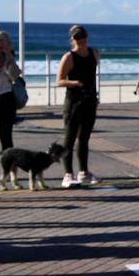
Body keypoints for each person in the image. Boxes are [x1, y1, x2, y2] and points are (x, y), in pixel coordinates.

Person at [56, 25, 101, 188]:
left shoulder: (94, 53)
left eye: (82, 36)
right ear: (72, 39)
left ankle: (84, 171)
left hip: (90, 100)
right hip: (74, 101)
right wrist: (75, 83)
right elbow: (59, 80)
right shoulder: (69, 57)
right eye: (77, 37)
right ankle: (68, 174)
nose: (80, 40)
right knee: (69, 138)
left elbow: (93, 75)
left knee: (84, 138)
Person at [0, 29, 22, 181]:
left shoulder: (7, 57)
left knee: (6, 137)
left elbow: (15, 75)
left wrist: (8, 56)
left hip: (6, 99)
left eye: (0, 47)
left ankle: (9, 170)